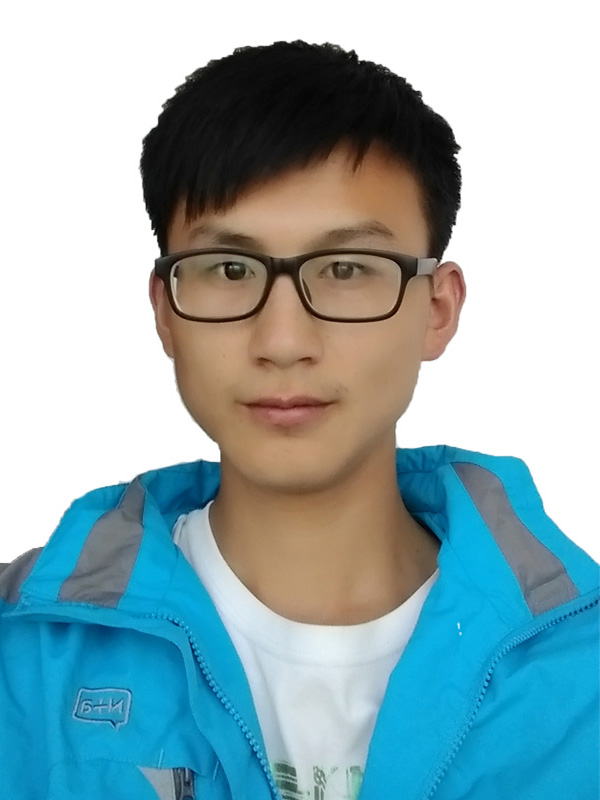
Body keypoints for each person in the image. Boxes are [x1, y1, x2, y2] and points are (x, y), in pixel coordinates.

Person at [0, 39, 598, 800]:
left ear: (438, 309)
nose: (283, 341)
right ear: (164, 311)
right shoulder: (20, 653)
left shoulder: (585, 670)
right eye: (229, 269)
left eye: (346, 269)